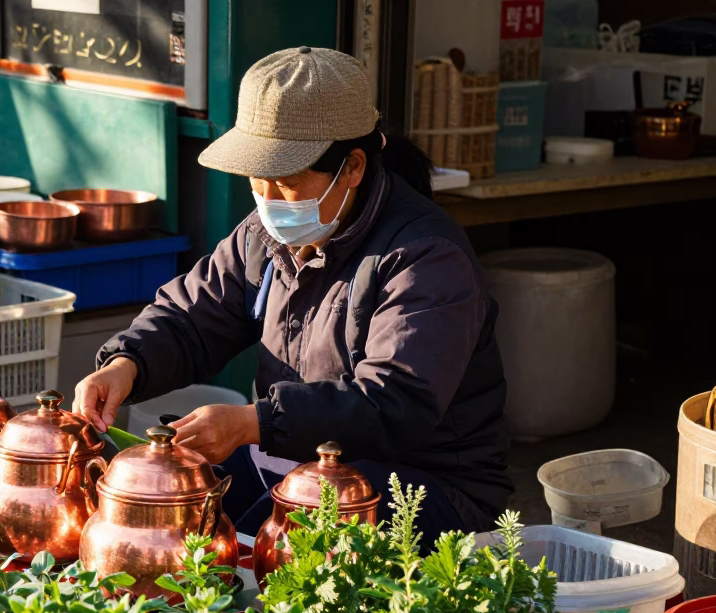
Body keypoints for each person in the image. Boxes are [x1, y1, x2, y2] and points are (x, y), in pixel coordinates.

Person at [73, 47, 510, 538]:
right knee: (171, 510)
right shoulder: (264, 235)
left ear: (353, 168)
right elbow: (192, 317)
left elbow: (395, 400)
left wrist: (254, 422)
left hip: (423, 489)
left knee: (255, 550)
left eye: (287, 182)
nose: (269, 201)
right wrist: (125, 364)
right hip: (295, 458)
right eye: (258, 182)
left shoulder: (426, 256)